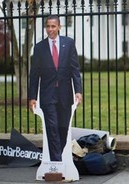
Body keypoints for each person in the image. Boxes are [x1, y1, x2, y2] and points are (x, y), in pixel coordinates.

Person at [29, 15, 83, 161]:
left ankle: (56, 158)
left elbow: (75, 70)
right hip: (48, 95)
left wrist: (78, 91)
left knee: (63, 129)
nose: (50, 29)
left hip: (65, 95)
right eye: (48, 26)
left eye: (53, 26)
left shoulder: (69, 43)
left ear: (59, 27)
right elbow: (34, 74)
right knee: (52, 128)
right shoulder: (39, 47)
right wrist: (32, 97)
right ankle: (56, 164)